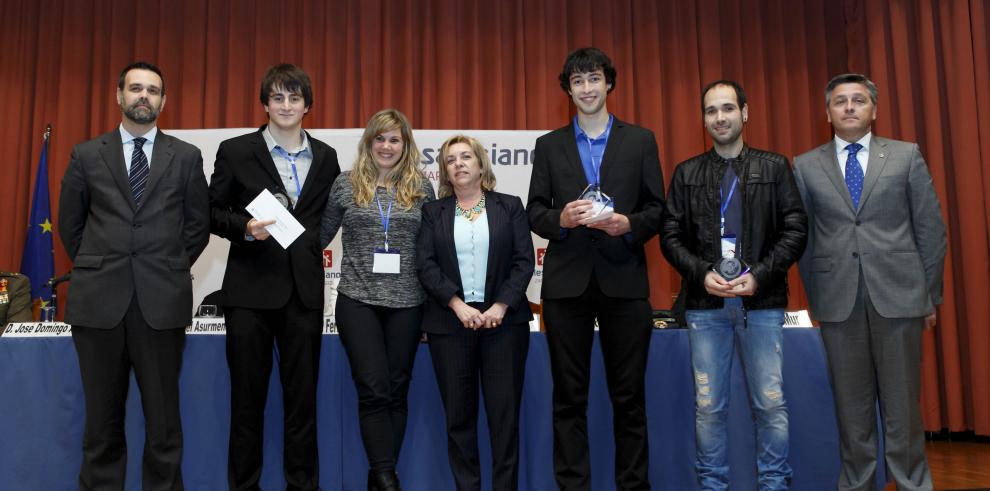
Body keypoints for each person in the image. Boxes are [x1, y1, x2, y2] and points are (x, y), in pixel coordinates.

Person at [57, 60, 209, 490]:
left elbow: (196, 225)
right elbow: (71, 224)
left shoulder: (186, 157)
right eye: (136, 88)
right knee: (101, 424)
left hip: (161, 303)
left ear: (164, 101)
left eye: (153, 91)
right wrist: (99, 264)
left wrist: (169, 265)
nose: (144, 96)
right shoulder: (87, 154)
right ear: (118, 95)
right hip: (97, 303)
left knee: (163, 426)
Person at [794, 73, 946, 491]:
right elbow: (804, 242)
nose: (848, 107)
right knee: (852, 413)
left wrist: (928, 298)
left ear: (874, 110)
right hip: (839, 304)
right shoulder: (805, 166)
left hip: (900, 300)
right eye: (839, 101)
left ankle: (913, 484)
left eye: (858, 100)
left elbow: (931, 231)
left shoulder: (906, 156)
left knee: (903, 412)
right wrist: (819, 299)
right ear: (827, 113)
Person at [526, 47, 665, 490]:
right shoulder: (549, 145)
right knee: (568, 399)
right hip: (567, 286)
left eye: (594, 79)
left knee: (629, 399)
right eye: (578, 81)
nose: (586, 88)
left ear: (609, 83)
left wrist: (629, 225)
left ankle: (633, 486)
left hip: (624, 281)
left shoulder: (640, 140)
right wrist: (560, 222)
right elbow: (535, 211)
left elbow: (657, 209)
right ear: (568, 89)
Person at [660, 80, 807, 490]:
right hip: (705, 306)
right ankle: (712, 486)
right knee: (708, 408)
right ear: (703, 118)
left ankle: (774, 484)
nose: (719, 118)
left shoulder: (774, 167)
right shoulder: (687, 173)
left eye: (727, 108)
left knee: (771, 404)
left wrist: (758, 275)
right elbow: (670, 236)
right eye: (711, 111)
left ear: (745, 112)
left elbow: (795, 230)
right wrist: (701, 273)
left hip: (762, 304)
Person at [208, 63, 341, 491]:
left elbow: (325, 220)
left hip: (304, 295)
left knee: (302, 404)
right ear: (265, 103)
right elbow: (209, 212)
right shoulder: (235, 150)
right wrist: (244, 229)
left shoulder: (326, 157)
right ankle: (243, 485)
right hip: (249, 294)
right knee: (247, 404)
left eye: (295, 97)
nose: (286, 105)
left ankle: (302, 485)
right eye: (278, 97)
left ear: (308, 106)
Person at [320, 108, 435, 491]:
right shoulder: (345, 184)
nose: (387, 146)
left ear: (406, 145)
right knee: (373, 388)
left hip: (408, 302)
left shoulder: (421, 187)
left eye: (395, 139)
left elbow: (431, 250)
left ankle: (379, 474)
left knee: (397, 388)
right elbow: (317, 239)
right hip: (357, 299)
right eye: (380, 138)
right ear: (369, 142)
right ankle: (387, 479)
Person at [416, 135, 534, 490]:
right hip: (449, 325)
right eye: (451, 160)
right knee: (459, 419)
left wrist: (500, 305)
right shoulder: (432, 212)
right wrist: (456, 305)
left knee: (504, 418)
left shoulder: (510, 206)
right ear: (444, 172)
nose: (459, 164)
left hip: (504, 325)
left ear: (481, 165)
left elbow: (524, 261)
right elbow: (425, 264)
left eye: (466, 157)